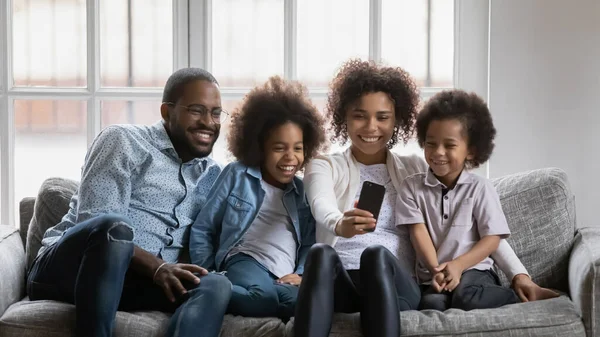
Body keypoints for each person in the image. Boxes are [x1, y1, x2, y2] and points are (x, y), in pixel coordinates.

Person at [294, 59, 559, 337]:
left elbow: (480, 227)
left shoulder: (416, 169)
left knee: (375, 255)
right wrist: (339, 224)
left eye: (383, 117)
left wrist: (520, 275)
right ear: (343, 116)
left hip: (396, 286)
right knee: (320, 252)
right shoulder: (324, 165)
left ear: (397, 120)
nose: (371, 126)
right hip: (343, 285)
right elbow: (320, 204)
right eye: (360, 115)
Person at [27, 68, 233, 337]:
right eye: (196, 110)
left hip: (136, 282)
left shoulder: (212, 175)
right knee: (115, 227)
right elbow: (96, 223)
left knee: (215, 285)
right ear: (167, 112)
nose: (209, 122)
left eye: (215, 113)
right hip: (69, 271)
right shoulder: (124, 141)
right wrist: (158, 266)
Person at [190, 76, 325, 320]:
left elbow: (308, 242)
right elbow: (203, 227)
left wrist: (302, 274)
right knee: (261, 299)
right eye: (279, 148)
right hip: (246, 260)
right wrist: (209, 271)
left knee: (301, 304)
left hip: (282, 277)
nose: (290, 157)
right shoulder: (238, 174)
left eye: (297, 148)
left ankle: (244, 294)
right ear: (259, 147)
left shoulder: (302, 192)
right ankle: (208, 287)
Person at [397, 89, 522, 311]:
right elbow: (418, 233)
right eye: (431, 143)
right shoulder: (411, 187)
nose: (438, 152)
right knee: (430, 304)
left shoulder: (480, 188)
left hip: (474, 270)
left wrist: (457, 266)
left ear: (471, 151)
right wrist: (438, 271)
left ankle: (513, 297)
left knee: (466, 297)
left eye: (450, 145)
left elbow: (492, 238)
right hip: (434, 275)